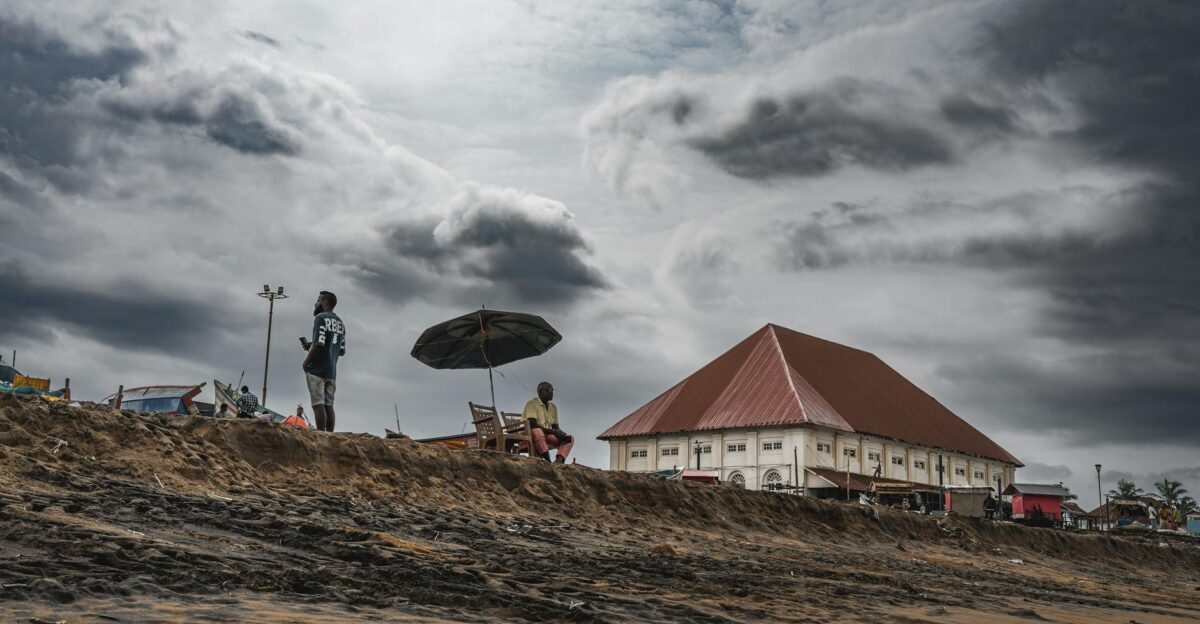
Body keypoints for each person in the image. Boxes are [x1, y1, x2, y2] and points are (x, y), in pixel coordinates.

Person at [301, 291, 345, 432]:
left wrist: (306, 363)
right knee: (329, 405)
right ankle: (330, 436)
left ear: (325, 303)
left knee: (317, 404)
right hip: (331, 371)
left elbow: (319, 344)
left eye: (318, 300)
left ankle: (320, 435)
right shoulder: (340, 323)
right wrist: (312, 344)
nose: (316, 303)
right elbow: (341, 350)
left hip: (317, 370)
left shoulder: (320, 318)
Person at [523, 381, 573, 463]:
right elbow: (532, 425)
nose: (551, 392)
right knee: (537, 431)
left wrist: (563, 435)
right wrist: (554, 431)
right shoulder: (532, 404)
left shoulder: (553, 407)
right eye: (548, 390)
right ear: (540, 392)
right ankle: (548, 461)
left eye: (552, 390)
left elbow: (555, 427)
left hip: (546, 435)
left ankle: (559, 460)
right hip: (530, 434)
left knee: (570, 439)